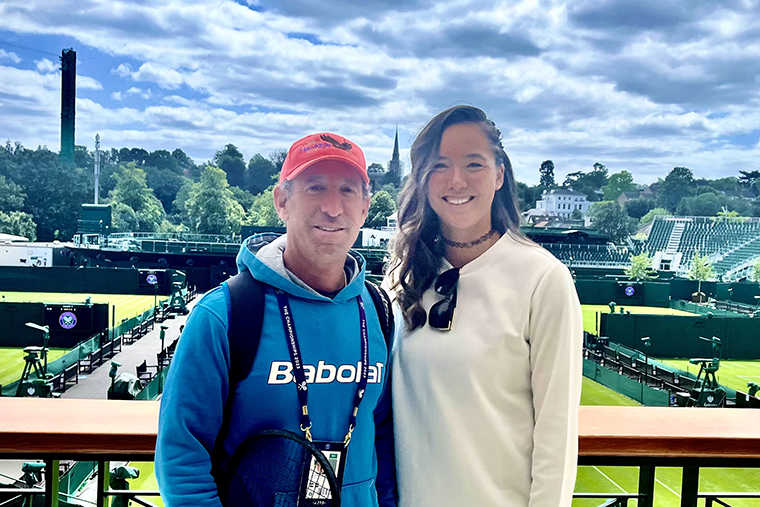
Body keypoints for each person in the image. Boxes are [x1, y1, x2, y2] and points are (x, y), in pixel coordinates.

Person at [156, 132, 397, 507]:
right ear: (282, 201)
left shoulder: (379, 311)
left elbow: (383, 435)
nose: (333, 207)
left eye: (348, 190)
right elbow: (182, 455)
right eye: (315, 187)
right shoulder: (224, 314)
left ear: (366, 208)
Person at [386, 106, 582, 506]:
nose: (456, 180)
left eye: (473, 163)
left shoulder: (543, 278)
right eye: (439, 165)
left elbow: (557, 433)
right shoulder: (402, 273)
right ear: (423, 179)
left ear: (499, 174)